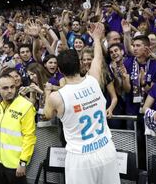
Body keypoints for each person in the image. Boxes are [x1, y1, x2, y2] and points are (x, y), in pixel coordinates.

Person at [44, 23, 120, 184]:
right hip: (106, 149)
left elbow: (47, 115)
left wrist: (46, 93)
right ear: (80, 64)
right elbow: (98, 58)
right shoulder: (94, 80)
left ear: (59, 71)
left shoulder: (57, 97)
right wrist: (97, 38)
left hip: (81, 157)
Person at [0, 74, 36, 184]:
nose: (10, 90)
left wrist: (23, 162)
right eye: (5, 88)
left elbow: (29, 137)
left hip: (16, 164)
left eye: (12, 87)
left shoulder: (25, 106)